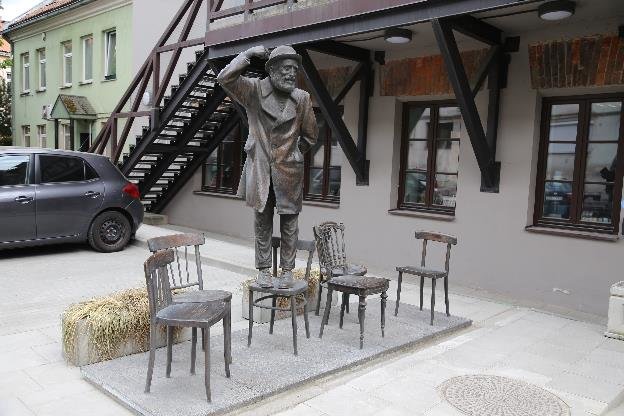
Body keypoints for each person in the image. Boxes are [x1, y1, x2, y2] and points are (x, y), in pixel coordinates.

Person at [217, 45, 318, 288]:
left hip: (289, 171)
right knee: (262, 221)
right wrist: (247, 54)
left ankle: (287, 271)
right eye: (286, 68)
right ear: (272, 70)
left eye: (294, 69)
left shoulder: (301, 98)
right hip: (261, 169)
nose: (291, 73)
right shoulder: (254, 91)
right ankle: (263, 270)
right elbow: (224, 78)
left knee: (289, 223)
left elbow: (310, 135)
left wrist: (294, 153)